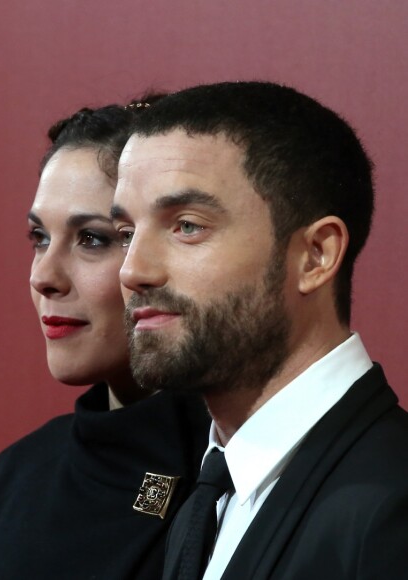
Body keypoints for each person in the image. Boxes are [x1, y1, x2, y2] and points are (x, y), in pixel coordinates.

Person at [111, 81, 408, 579]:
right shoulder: (204, 498)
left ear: (315, 255)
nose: (132, 270)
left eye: (186, 225)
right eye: (125, 234)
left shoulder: (393, 506)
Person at [0, 97, 210, 579]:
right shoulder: (12, 480)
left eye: (91, 239)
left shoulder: (242, 482)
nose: (44, 277)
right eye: (39, 238)